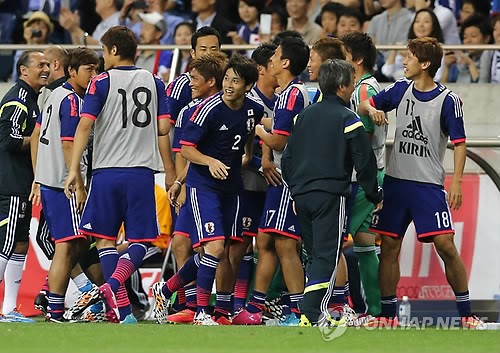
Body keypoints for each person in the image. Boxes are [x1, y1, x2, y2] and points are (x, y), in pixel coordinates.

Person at [358, 37, 484, 329]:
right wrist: (372, 109)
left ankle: (466, 314)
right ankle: (388, 317)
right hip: (396, 183)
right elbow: (364, 103)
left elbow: (460, 143)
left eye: (410, 56)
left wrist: (456, 182)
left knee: (446, 245)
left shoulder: (448, 100)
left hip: (427, 186)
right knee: (389, 246)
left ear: (425, 64)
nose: (404, 60)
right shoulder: (400, 89)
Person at [63, 25, 170, 324]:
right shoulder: (155, 81)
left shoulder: (101, 82)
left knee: (106, 242)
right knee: (141, 241)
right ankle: (121, 308)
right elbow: (163, 128)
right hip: (141, 172)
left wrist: (74, 170)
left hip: (107, 172)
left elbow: (84, 125)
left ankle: (118, 303)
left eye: (103, 49)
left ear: (112, 50)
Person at [152, 54, 263, 326]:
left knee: (222, 250)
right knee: (213, 247)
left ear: (248, 86)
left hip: (232, 187)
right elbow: (187, 149)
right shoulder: (206, 109)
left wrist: (247, 155)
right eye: (227, 78)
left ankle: (165, 290)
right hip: (204, 187)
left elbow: (248, 133)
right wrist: (209, 162)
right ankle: (202, 312)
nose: (228, 85)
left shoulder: (253, 109)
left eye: (235, 81)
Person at [281, 58, 383, 327]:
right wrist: (375, 195)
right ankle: (311, 313)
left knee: (315, 255)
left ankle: (313, 311)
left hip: (301, 195)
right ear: (341, 85)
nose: (352, 88)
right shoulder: (348, 119)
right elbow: (364, 162)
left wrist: (294, 191)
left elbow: (288, 159)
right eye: (351, 83)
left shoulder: (302, 117)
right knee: (328, 255)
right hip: (331, 194)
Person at [233, 36, 309, 326]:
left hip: (289, 179)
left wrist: (257, 130)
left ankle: (298, 311)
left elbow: (278, 140)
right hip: (280, 178)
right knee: (265, 240)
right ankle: (255, 306)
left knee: (286, 244)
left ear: (286, 63)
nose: (272, 60)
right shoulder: (287, 94)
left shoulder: (291, 95)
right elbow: (276, 127)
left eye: (276, 55)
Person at [157, 26, 222, 322]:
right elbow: (169, 134)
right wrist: (174, 176)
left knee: (219, 246)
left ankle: (209, 304)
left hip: (222, 180)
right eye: (204, 49)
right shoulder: (184, 87)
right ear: (193, 53)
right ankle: (188, 304)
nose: (210, 53)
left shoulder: (229, 84)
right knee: (185, 243)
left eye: (215, 48)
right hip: (192, 177)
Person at [30, 48, 100, 322]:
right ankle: (57, 307)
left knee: (72, 243)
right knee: (67, 245)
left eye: (96, 69)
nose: (94, 75)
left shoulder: (52, 96)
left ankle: (62, 300)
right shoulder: (72, 101)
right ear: (72, 70)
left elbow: (37, 135)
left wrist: (38, 176)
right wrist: (78, 181)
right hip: (64, 183)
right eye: (88, 69)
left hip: (50, 180)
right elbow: (69, 143)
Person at [0, 50, 50, 323]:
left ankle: (9, 309)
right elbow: (7, 140)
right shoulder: (17, 100)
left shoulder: (31, 99)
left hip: (21, 185)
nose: (45, 69)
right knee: (5, 244)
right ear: (23, 70)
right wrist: (37, 139)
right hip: (11, 182)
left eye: (46, 64)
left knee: (20, 243)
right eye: (40, 65)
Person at [342, 31, 387, 318]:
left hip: (364, 178)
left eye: (344, 55)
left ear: (356, 60)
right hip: (373, 174)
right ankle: (375, 312)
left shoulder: (363, 90)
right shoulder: (367, 87)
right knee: (364, 243)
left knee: (329, 241)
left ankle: (345, 307)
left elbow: (363, 135)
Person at [381, 8, 445, 81]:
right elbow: (387, 71)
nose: (421, 25)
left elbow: (437, 78)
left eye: (426, 21)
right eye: (417, 21)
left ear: (434, 25)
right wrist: (394, 50)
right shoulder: (407, 47)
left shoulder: (438, 49)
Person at [11, 11, 53, 82]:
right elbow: (16, 77)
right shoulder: (21, 50)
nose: (37, 30)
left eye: (42, 27)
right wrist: (29, 42)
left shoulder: (52, 50)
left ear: (48, 31)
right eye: (33, 27)